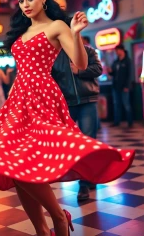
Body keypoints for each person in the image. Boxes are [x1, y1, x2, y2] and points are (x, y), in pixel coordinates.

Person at [0, 0, 134, 236]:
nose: (25, 4)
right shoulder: (23, 31)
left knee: (24, 162)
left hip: (43, 97)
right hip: (18, 99)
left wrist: (75, 33)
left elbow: (82, 65)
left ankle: (59, 218)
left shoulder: (57, 26)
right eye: (20, 1)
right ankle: (42, 230)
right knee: (14, 163)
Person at [52, 38, 102, 201]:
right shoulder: (56, 56)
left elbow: (98, 69)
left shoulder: (89, 51)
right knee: (71, 143)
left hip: (88, 101)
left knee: (88, 142)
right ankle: (86, 177)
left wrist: (80, 71)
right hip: (68, 103)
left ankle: (84, 184)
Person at [108, 44, 133, 127]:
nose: (116, 52)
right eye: (116, 51)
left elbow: (130, 74)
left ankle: (130, 122)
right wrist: (110, 71)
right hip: (115, 86)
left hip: (124, 87)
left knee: (126, 104)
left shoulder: (127, 61)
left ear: (122, 50)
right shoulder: (116, 61)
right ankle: (116, 122)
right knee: (116, 105)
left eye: (117, 50)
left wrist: (127, 86)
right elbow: (113, 73)